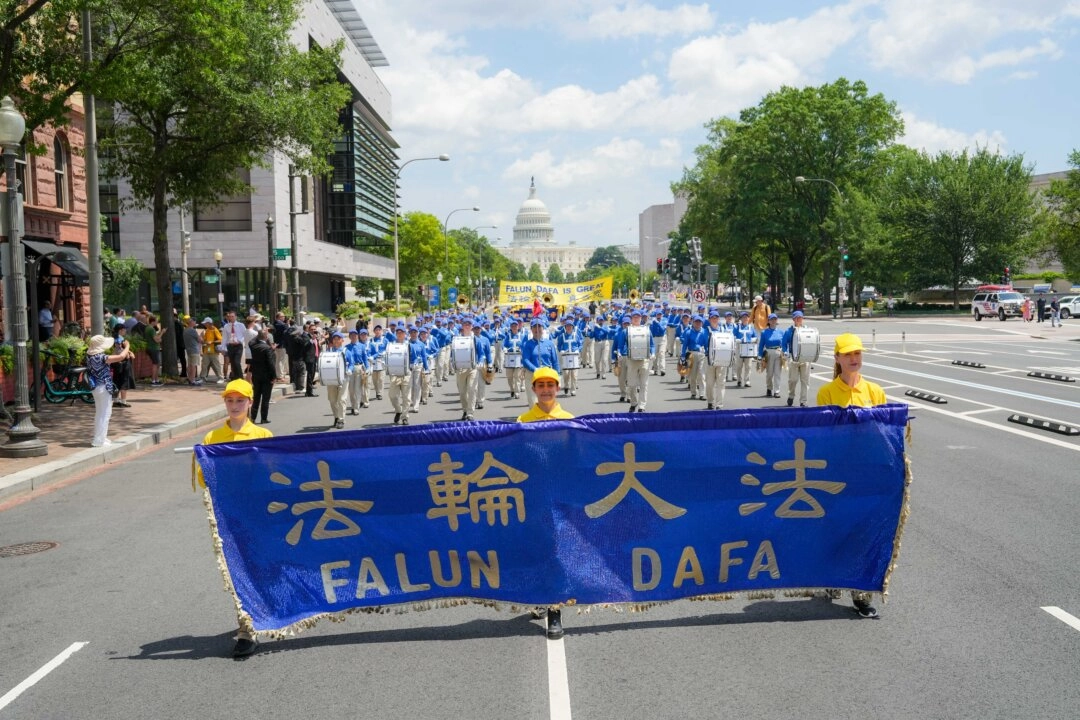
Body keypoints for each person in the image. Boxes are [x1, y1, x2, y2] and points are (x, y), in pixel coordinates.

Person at [195, 379, 274, 657]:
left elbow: (273, 475)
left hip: (260, 515)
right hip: (229, 517)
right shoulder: (212, 439)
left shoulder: (264, 435)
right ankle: (246, 629)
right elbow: (205, 479)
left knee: (262, 567)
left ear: (250, 403)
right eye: (230, 400)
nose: (235, 405)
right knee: (238, 569)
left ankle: (264, 612)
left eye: (240, 400)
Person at [816, 332, 886, 620]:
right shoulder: (827, 393)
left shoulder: (876, 391)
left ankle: (861, 593)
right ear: (837, 359)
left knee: (865, 532)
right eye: (847, 354)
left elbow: (886, 434)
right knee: (838, 529)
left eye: (857, 353)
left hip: (868, 475)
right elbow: (823, 436)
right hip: (838, 474)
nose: (854, 359)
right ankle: (833, 577)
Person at [517, 366, 574, 639]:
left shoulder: (569, 420)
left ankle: (555, 612)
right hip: (535, 497)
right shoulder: (523, 420)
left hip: (561, 497)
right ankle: (542, 597)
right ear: (534, 389)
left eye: (551, 384)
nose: (546, 390)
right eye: (541, 385)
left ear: (558, 388)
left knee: (556, 552)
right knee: (538, 549)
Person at [86, 335, 134, 447]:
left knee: (100, 413)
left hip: (96, 387)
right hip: (103, 387)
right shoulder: (101, 357)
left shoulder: (89, 356)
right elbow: (121, 356)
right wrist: (127, 346)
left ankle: (100, 437)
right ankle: (99, 440)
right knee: (105, 413)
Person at [781, 310, 812, 407]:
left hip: (805, 358)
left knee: (805, 381)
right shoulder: (789, 331)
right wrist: (785, 352)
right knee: (793, 380)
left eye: (800, 318)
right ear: (793, 319)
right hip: (793, 358)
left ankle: (803, 401)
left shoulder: (806, 330)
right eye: (797, 318)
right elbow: (783, 343)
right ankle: (791, 396)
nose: (799, 320)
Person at [247, 328, 277, 424]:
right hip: (267, 376)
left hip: (256, 375)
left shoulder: (253, 346)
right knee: (265, 398)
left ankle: (253, 418)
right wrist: (274, 376)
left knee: (256, 397)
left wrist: (260, 334)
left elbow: (251, 341)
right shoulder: (267, 348)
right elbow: (271, 364)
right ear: (266, 337)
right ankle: (264, 418)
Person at [756, 313, 784, 399]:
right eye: (771, 319)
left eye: (775, 319)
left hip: (778, 352)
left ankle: (777, 391)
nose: (773, 321)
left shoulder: (781, 332)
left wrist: (785, 352)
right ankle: (769, 388)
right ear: (769, 321)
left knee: (777, 373)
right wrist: (760, 356)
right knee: (769, 373)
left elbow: (784, 344)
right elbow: (761, 345)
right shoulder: (764, 332)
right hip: (768, 352)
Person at [221, 310, 247, 381]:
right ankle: (235, 377)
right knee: (232, 363)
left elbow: (245, 335)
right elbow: (224, 338)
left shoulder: (241, 325)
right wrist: (223, 348)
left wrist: (239, 341)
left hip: (238, 346)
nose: (231, 318)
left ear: (236, 317)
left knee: (236, 362)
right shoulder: (226, 326)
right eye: (230, 317)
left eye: (232, 316)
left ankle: (240, 377)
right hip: (230, 346)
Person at [200, 317, 225, 384]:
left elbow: (220, 339)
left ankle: (221, 378)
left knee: (216, 365)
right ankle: (203, 377)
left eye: (205, 323)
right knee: (204, 365)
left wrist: (212, 342)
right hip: (206, 350)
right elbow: (205, 340)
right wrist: (203, 341)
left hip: (214, 351)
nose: (204, 324)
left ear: (209, 323)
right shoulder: (207, 330)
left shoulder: (215, 330)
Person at [144, 314, 166, 386]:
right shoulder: (151, 329)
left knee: (157, 364)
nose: (157, 323)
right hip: (153, 348)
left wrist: (159, 334)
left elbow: (155, 337)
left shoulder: (148, 328)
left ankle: (156, 379)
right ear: (152, 322)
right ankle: (153, 380)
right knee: (155, 364)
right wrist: (162, 333)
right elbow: (157, 340)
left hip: (150, 347)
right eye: (156, 321)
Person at [182, 316, 203, 386]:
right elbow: (200, 340)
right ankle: (193, 380)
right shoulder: (193, 330)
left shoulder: (185, 330)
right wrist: (201, 335)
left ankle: (190, 378)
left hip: (188, 350)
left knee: (190, 365)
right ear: (191, 322)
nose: (195, 323)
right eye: (194, 321)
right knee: (194, 365)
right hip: (194, 350)